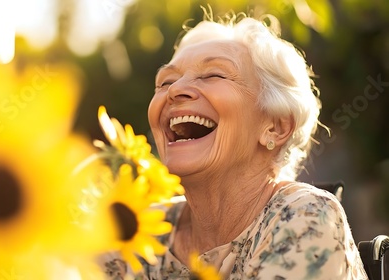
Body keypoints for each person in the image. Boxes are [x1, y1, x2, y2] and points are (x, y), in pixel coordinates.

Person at [103, 12, 368, 279]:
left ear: (275, 127)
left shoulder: (307, 215)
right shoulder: (133, 227)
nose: (175, 90)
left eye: (213, 75)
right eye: (166, 82)